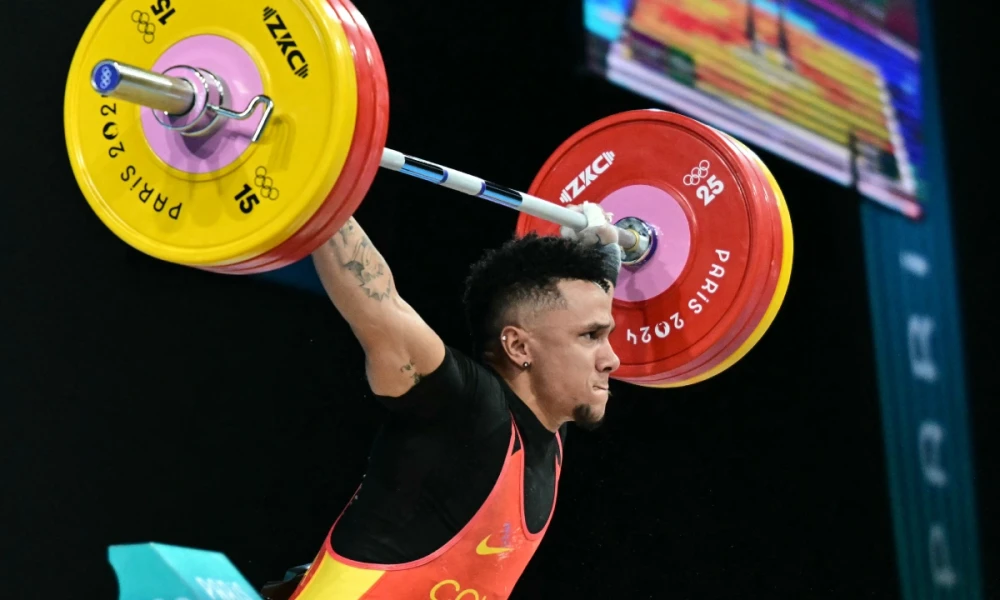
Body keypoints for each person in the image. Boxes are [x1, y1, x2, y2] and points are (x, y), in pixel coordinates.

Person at [261, 203, 624, 600]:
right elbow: (380, 306)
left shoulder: (547, 428)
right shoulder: (467, 413)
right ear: (518, 346)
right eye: (590, 336)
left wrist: (600, 258)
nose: (612, 359)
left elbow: (572, 318)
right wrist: (322, 189)